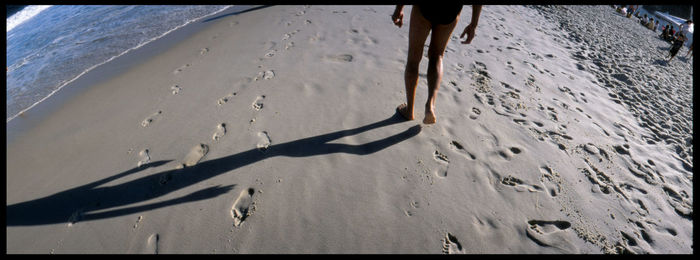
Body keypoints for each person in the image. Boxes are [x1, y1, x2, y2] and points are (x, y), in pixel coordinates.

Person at [392, 5, 482, 124]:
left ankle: (409, 110)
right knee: (437, 56)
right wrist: (473, 24)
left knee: (413, 57)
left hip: (424, 9)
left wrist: (399, 9)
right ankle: (430, 105)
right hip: (450, 12)